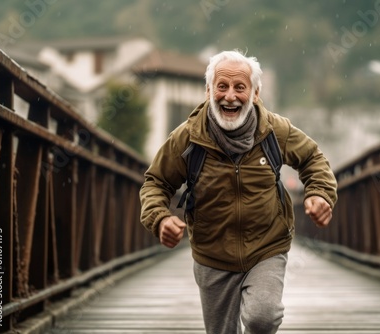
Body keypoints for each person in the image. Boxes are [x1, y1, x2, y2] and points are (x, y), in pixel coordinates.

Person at [139, 50, 337, 334]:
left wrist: (319, 193)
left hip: (267, 246)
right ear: (208, 91)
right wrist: (160, 219)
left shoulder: (275, 131)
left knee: (262, 317)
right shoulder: (187, 137)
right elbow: (156, 182)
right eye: (222, 86)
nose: (229, 95)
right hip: (212, 254)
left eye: (239, 87)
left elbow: (312, 159)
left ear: (255, 94)